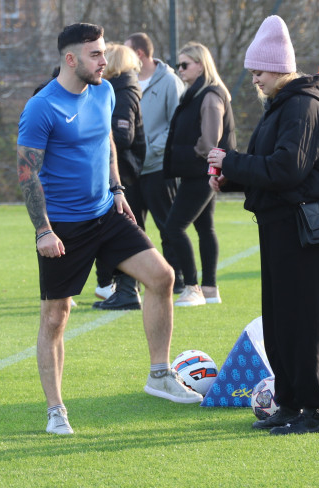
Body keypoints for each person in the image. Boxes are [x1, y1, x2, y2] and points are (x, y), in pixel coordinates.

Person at [17, 23, 202, 436]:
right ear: (71, 59)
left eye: (104, 52)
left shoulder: (104, 92)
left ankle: (159, 375)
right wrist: (43, 231)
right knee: (55, 316)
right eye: (96, 54)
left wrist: (117, 188)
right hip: (64, 226)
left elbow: (108, 143)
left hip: (107, 213)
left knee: (162, 276)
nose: (105, 60)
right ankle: (56, 411)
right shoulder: (42, 107)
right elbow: (27, 173)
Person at [207, 15, 319, 435]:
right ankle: (289, 402)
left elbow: (286, 169)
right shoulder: (281, 106)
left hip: (300, 229)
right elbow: (268, 167)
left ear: (279, 67)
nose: (255, 80)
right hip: (279, 225)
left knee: (300, 321)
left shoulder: (302, 107)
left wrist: (232, 162)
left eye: (259, 71)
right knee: (279, 320)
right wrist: (230, 178)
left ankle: (312, 412)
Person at [162, 42, 236, 306]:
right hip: (201, 171)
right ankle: (209, 289)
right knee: (204, 227)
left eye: (185, 64)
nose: (180, 69)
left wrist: (190, 155)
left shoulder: (210, 95)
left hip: (202, 172)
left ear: (201, 65)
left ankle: (193, 287)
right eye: (178, 65)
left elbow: (209, 142)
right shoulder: (197, 94)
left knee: (174, 227)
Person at [124, 33, 186, 295]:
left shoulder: (170, 81)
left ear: (139, 54)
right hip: (131, 170)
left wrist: (150, 149)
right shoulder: (125, 82)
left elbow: (178, 124)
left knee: (167, 226)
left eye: (126, 51)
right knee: (131, 229)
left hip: (159, 168)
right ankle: (131, 285)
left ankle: (177, 279)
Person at [91, 43, 146, 311]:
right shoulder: (118, 89)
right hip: (123, 172)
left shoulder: (123, 92)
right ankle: (120, 287)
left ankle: (127, 289)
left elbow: (123, 136)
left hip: (124, 173)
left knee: (123, 231)